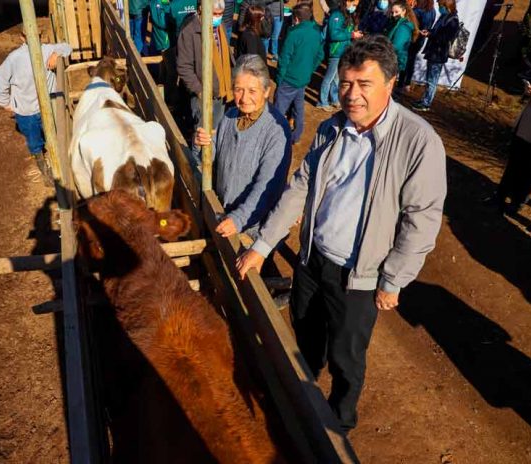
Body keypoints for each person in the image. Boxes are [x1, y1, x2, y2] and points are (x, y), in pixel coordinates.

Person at [237, 36, 447, 432]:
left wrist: (393, 279)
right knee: (305, 333)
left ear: (391, 82)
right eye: (346, 83)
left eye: (364, 84)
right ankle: (304, 394)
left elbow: (421, 217)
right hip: (313, 259)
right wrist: (263, 245)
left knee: (347, 356)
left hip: (358, 277)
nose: (352, 95)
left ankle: (340, 422)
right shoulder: (334, 128)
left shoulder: (418, 141)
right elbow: (301, 185)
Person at [192, 54, 292, 238]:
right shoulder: (230, 116)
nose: (244, 98)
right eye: (238, 90)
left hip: (254, 227)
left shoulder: (277, 130)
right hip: (224, 214)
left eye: (252, 91)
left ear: (266, 91)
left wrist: (239, 219)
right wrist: (201, 144)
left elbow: (268, 187)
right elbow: (210, 157)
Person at [0, 28, 72, 185]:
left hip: (47, 106)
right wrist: (5, 102)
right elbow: (0, 79)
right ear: (22, 38)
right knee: (34, 140)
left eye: (37, 35)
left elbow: (67, 47)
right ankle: (43, 167)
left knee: (53, 134)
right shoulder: (14, 58)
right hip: (26, 109)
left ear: (41, 36)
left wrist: (56, 55)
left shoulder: (47, 50)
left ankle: (57, 160)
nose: (34, 38)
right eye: (29, 36)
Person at [177, 0, 234, 156]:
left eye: (221, 14)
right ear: (202, 9)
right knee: (201, 136)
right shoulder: (189, 32)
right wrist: (200, 91)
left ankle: (212, 160)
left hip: (221, 92)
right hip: (203, 96)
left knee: (215, 133)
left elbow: (225, 56)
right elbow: (184, 67)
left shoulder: (218, 28)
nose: (218, 18)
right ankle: (197, 167)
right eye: (215, 14)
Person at [490, 74, 531, 215]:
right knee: (513, 164)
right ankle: (499, 196)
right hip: (525, 125)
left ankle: (518, 201)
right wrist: (530, 91)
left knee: (527, 170)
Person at [275, 3, 325, 145]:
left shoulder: (293, 33)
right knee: (298, 109)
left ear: (296, 19)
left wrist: (280, 79)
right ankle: (296, 135)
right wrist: (309, 69)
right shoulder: (316, 32)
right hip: (303, 79)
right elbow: (320, 55)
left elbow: (284, 58)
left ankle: (275, 137)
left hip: (289, 80)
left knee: (279, 110)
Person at [411, 0, 459, 112]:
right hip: (433, 52)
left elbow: (445, 38)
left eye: (440, 5)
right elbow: (437, 31)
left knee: (432, 80)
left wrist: (431, 35)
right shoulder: (444, 17)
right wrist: (429, 31)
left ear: (447, 7)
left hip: (438, 54)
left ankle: (426, 103)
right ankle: (424, 99)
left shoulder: (452, 21)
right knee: (429, 79)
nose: (439, 7)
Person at [318, 0, 363, 111]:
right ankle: (322, 101)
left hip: (344, 51)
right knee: (329, 77)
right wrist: (351, 34)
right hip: (336, 51)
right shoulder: (336, 15)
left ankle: (334, 99)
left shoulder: (346, 14)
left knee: (337, 78)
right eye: (354, 4)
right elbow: (333, 34)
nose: (354, 7)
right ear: (347, 1)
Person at [398, 0, 435, 93]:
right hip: (420, 40)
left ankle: (401, 83)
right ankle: (407, 83)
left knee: (406, 60)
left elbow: (411, 21)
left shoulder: (418, 10)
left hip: (412, 38)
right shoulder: (432, 11)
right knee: (411, 60)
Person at [386, 1, 416, 82]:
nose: (394, 15)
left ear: (404, 11)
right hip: (390, 58)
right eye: (392, 12)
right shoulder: (395, 23)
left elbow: (397, 46)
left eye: (396, 12)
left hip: (394, 60)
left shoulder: (404, 27)